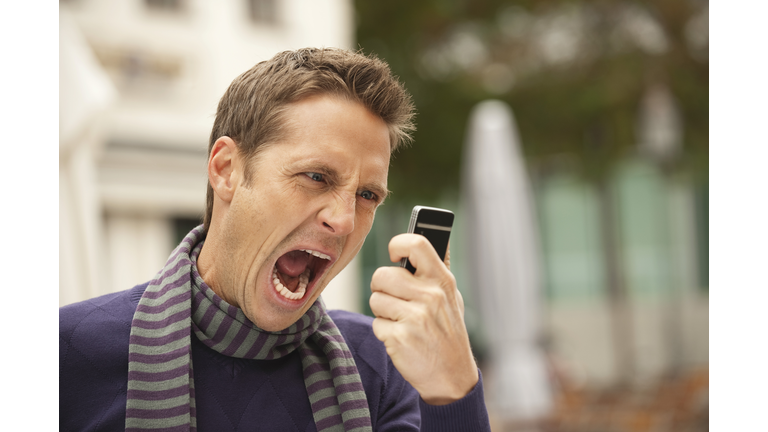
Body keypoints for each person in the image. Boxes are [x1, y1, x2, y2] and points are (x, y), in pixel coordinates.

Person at [60, 47, 491, 431]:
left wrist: (452, 390)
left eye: (366, 195)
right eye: (316, 177)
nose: (343, 220)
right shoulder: (63, 354)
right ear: (226, 169)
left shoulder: (383, 367)